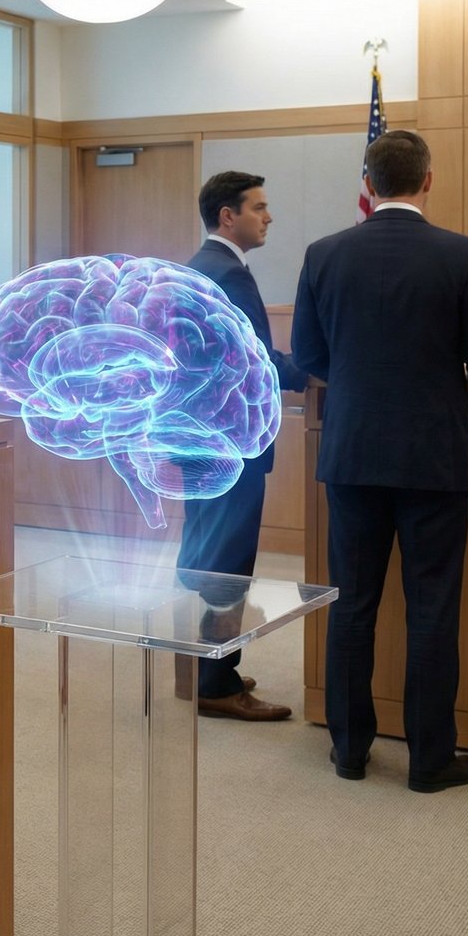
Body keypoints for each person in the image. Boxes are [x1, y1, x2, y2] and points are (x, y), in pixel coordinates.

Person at [292, 130, 468, 793]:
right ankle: (429, 759)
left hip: (352, 449)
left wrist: (360, 386)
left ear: (369, 181)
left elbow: (307, 353)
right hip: (433, 456)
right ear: (428, 180)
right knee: (432, 608)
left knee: (352, 605)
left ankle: (350, 750)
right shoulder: (461, 254)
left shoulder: (324, 252)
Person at [177, 171, 307, 721]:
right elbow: (254, 362)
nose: (268, 216)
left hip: (197, 438)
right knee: (227, 564)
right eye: (259, 207)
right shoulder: (230, 275)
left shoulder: (195, 268)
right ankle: (217, 684)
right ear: (228, 216)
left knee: (204, 556)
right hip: (230, 442)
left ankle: (201, 668)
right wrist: (309, 372)